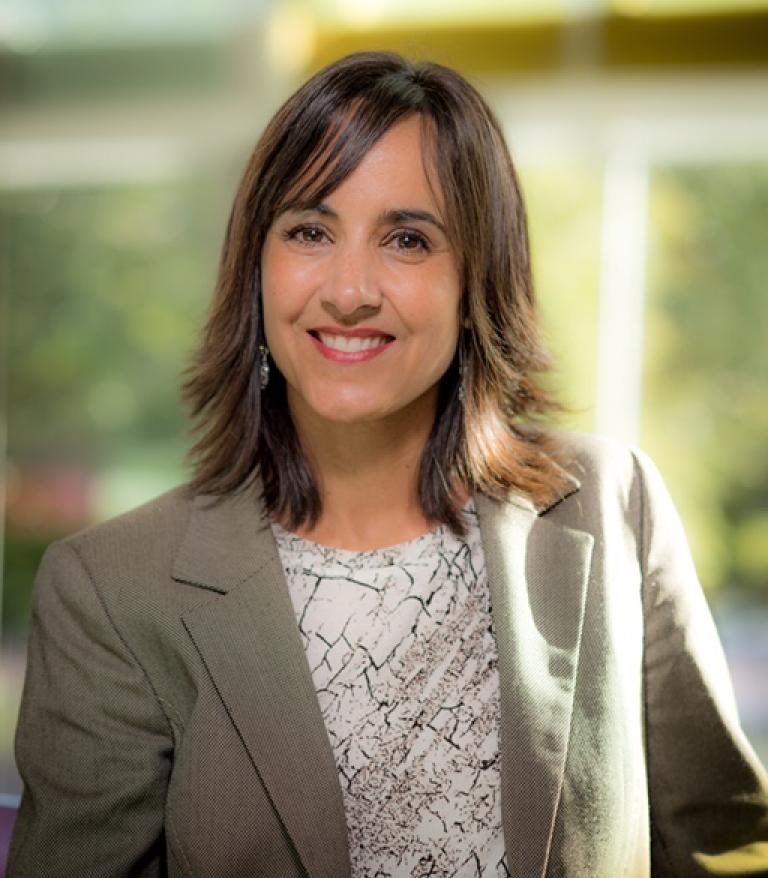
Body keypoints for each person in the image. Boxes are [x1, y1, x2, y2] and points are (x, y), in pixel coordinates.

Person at [7, 51, 768, 878]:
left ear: (477, 277)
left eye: (408, 239)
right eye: (309, 231)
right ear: (255, 266)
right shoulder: (112, 589)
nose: (349, 290)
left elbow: (723, 846)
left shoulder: (612, 506)